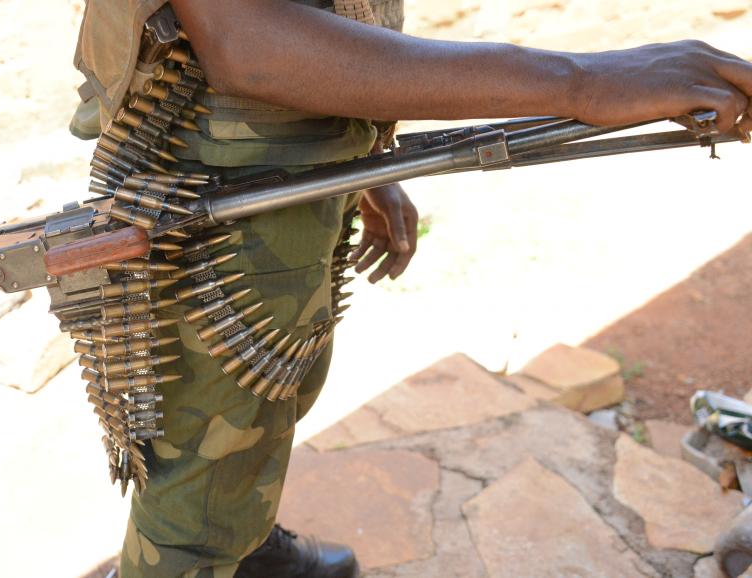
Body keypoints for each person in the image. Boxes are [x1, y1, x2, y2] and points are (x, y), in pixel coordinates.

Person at [73, 1, 752, 576]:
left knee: (272, 399)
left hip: (299, 152)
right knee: (197, 486)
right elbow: (246, 38)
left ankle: (244, 544)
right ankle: (210, 546)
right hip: (215, 180)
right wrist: (581, 81)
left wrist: (368, 155)